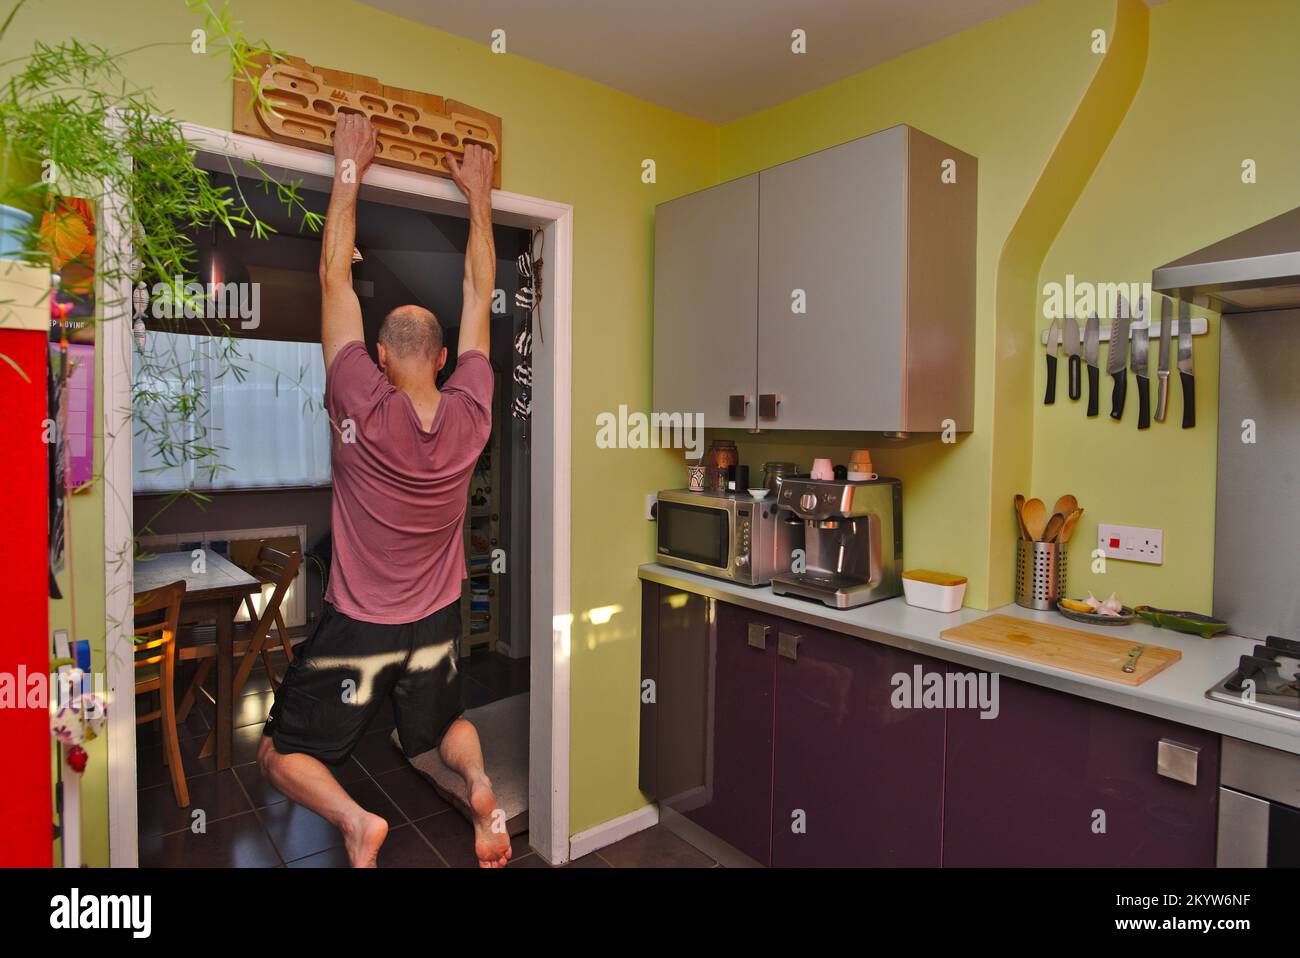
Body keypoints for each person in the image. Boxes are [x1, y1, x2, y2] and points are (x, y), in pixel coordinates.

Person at [258, 113, 510, 868]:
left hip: (360, 623)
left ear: (376, 356)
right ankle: (482, 784)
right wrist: (480, 194)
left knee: (279, 752)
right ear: (442, 360)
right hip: (434, 620)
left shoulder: (359, 402)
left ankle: (356, 822)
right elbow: (478, 287)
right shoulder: (472, 413)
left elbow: (333, 276)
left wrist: (348, 168)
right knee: (440, 731)